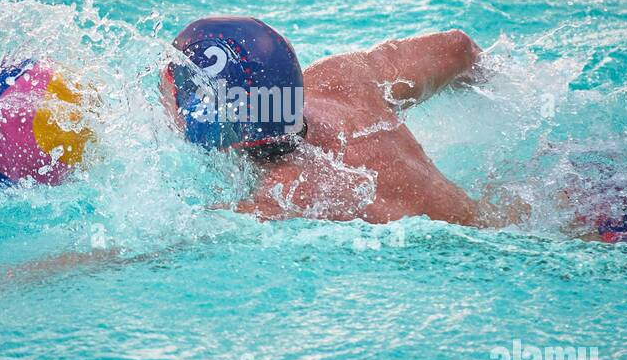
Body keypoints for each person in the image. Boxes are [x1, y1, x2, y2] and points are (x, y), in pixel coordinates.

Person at [161, 16, 530, 228]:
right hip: (527, 211)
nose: (164, 106)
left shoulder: (280, 202)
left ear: (209, 117)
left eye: (172, 93)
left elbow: (157, 249)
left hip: (519, 251)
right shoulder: (343, 82)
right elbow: (457, 47)